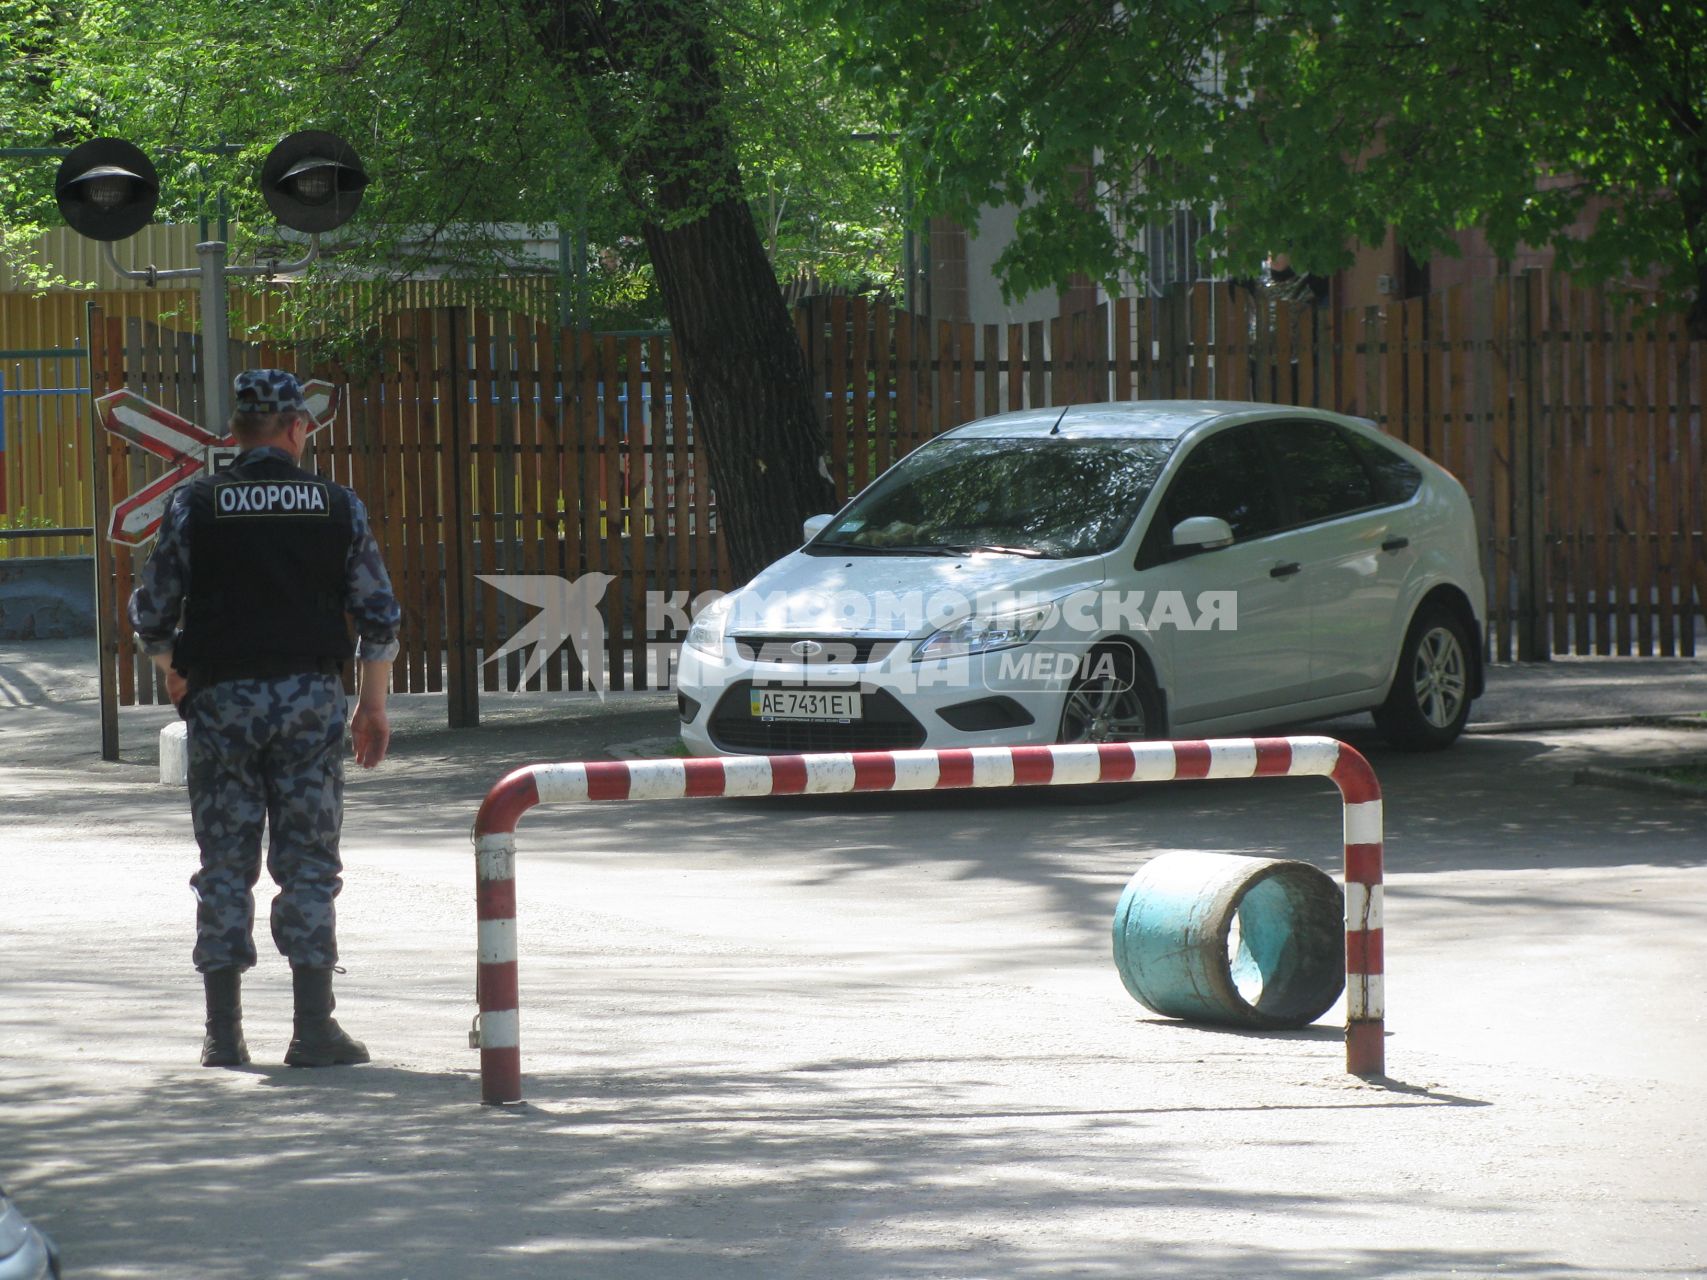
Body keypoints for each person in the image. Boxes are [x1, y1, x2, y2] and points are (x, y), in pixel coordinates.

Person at [129, 368, 401, 1069]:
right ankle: (313, 1030)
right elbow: (377, 615)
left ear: (236, 433)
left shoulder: (197, 503)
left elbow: (152, 611)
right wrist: (371, 705)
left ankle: (224, 1036)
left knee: (224, 864)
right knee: (307, 863)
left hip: (220, 705)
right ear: (296, 429)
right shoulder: (337, 505)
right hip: (310, 701)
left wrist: (169, 670)